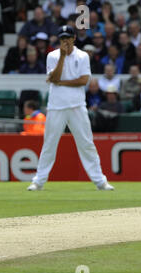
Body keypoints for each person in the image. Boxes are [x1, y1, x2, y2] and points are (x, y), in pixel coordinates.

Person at [27, 26, 114, 191]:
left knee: (86, 143)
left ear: (74, 38)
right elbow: (54, 78)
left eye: (68, 38)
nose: (65, 41)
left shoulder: (82, 56)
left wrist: (62, 83)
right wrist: (61, 57)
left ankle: (100, 181)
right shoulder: (52, 56)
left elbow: (83, 81)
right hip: (56, 106)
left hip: (77, 105)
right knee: (49, 144)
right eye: (62, 38)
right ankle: (38, 181)